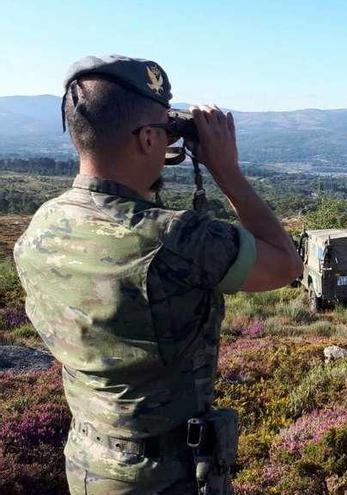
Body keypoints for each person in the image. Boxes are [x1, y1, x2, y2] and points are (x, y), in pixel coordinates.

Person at [13, 55, 302, 494]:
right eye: (167, 131)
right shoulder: (173, 237)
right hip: (165, 476)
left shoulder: (43, 226)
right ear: (148, 139)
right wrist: (227, 171)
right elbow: (285, 264)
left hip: (88, 461)